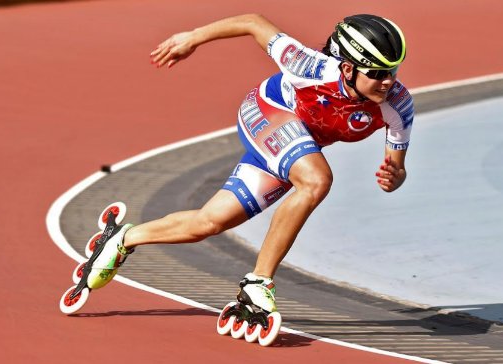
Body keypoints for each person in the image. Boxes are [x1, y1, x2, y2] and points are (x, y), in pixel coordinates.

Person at [90, 13, 413, 344]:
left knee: (209, 223)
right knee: (317, 180)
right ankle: (259, 282)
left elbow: (396, 169)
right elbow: (253, 23)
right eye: (377, 72)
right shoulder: (309, 66)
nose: (388, 81)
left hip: (296, 144)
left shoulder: (397, 106)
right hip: (267, 111)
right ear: (348, 68)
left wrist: (394, 177)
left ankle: (123, 239)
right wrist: (192, 37)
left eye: (392, 71)